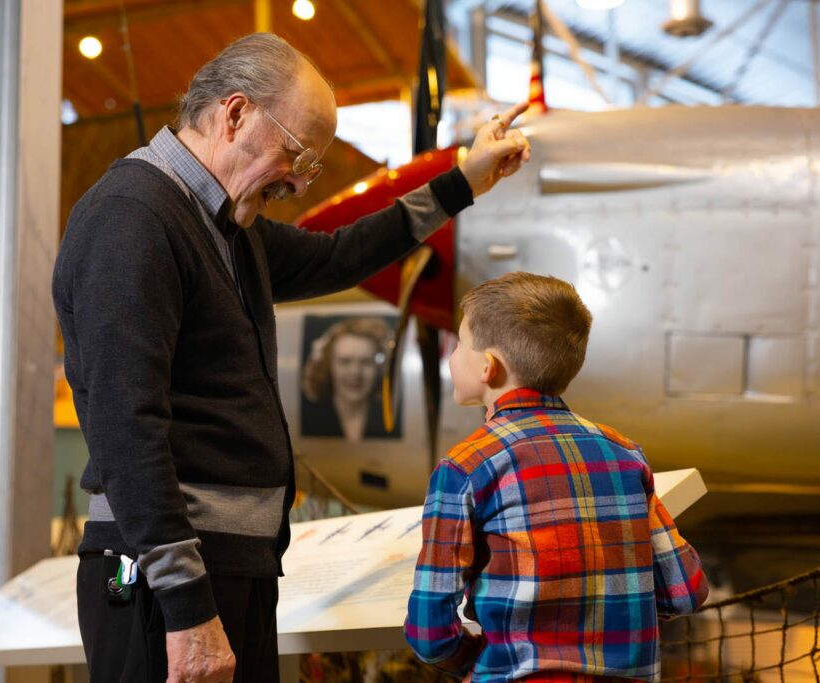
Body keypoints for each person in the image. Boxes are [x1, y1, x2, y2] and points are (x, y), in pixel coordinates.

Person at [52, 32, 530, 683]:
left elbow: (341, 253)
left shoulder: (222, 225)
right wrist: (189, 606)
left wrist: (463, 182)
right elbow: (127, 428)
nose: (300, 183)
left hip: (230, 568)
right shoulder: (132, 218)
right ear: (236, 113)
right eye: (297, 154)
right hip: (165, 583)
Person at [404, 272, 709, 682]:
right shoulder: (623, 451)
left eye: (459, 343)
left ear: (488, 368)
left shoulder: (465, 468)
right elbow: (686, 591)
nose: (453, 354)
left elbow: (429, 633)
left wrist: (475, 664)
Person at [300, 316, 398, 442]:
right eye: (345, 362)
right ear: (329, 366)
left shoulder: (391, 416)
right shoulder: (311, 419)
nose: (355, 372)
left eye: (366, 362)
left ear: (379, 368)